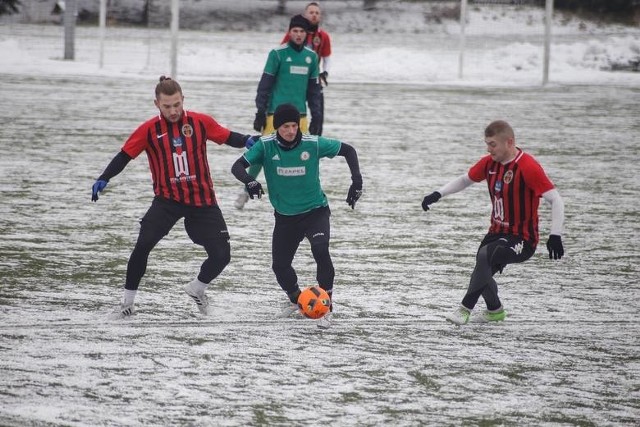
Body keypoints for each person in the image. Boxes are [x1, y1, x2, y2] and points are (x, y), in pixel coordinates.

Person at [91, 76, 255, 319]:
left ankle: (197, 289)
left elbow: (228, 136)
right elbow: (124, 156)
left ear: (183, 100)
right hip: (167, 201)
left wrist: (249, 141)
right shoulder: (148, 130)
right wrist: (105, 176)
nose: (173, 110)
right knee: (143, 245)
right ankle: (127, 303)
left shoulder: (200, 122)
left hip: (202, 201)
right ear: (157, 104)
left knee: (222, 255)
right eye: (167, 106)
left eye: (177, 104)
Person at [230, 103, 362, 329]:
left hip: (315, 212)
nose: (291, 131)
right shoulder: (266, 145)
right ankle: (298, 300)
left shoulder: (313, 143)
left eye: (294, 125)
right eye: (285, 127)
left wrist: (356, 180)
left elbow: (348, 150)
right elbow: (237, 166)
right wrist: (249, 181)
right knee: (280, 267)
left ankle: (327, 306)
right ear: (276, 127)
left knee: (320, 249)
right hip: (285, 217)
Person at [421, 120, 565, 325]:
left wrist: (555, 235)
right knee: (481, 267)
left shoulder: (527, 167)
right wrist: (438, 193)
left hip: (522, 238)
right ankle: (494, 310)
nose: (488, 149)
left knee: (485, 257)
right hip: (496, 231)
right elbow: (465, 179)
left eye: (492, 144)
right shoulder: (489, 163)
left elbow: (555, 199)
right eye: (487, 143)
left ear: (509, 142)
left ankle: (464, 310)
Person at [235, 13, 323, 210]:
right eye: (295, 31)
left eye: (302, 31)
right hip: (275, 115)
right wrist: (260, 112)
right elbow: (265, 85)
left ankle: (303, 194)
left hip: (300, 117)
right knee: (263, 152)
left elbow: (314, 91)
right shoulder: (277, 54)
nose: (298, 34)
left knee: (305, 155)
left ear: (307, 34)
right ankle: (246, 187)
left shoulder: (311, 58)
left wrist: (317, 115)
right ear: (289, 32)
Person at [281, 2, 332, 136]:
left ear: (320, 16)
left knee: (318, 114)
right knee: (293, 112)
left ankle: (315, 140)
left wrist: (324, 73)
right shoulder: (294, 33)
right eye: (311, 12)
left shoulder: (323, 36)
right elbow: (282, 54)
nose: (314, 15)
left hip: (314, 78)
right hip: (296, 81)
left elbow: (327, 57)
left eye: (317, 13)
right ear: (305, 14)